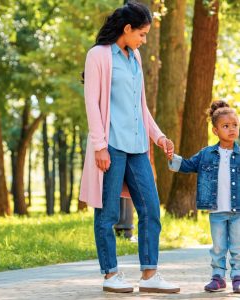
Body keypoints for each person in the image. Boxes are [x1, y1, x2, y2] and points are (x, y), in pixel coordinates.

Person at [79, 1, 180, 294]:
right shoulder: (98, 56)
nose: (143, 40)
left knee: (150, 209)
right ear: (127, 29)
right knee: (108, 212)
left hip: (137, 147)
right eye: (142, 34)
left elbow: (141, 106)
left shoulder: (134, 58)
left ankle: (149, 275)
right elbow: (92, 103)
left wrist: (158, 137)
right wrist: (99, 146)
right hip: (111, 145)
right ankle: (111, 274)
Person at [169, 100, 240, 293]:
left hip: (238, 210)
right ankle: (218, 277)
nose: (232, 129)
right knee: (218, 247)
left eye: (235, 125)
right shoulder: (206, 154)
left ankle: (237, 277)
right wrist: (172, 158)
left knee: (237, 247)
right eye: (226, 126)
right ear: (216, 130)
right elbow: (187, 165)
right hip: (216, 210)